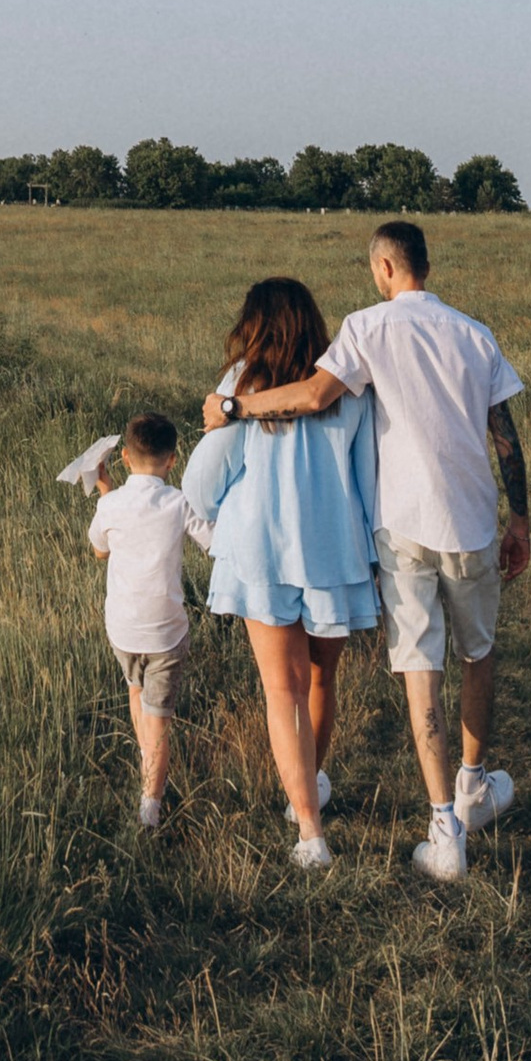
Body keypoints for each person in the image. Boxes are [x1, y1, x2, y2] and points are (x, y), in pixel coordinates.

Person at [230, 219, 527, 886]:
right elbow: (504, 437)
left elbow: (312, 396)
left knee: (421, 669)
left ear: (384, 268)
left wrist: (235, 403)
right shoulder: (476, 334)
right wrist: (522, 519)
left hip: (402, 524)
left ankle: (443, 828)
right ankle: (475, 781)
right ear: (425, 264)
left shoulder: (366, 327)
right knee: (478, 652)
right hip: (475, 519)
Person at [187, 276, 378, 872]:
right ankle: (307, 796)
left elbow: (200, 483)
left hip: (261, 552)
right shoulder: (344, 384)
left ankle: (311, 835)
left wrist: (225, 525)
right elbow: (368, 478)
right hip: (333, 551)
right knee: (321, 682)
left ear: (254, 323)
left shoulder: (243, 384)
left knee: (282, 691)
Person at [84, 414, 204, 831]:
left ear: (123, 458)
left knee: (135, 689)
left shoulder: (109, 503)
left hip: (122, 628)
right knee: (159, 720)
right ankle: (150, 807)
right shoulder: (178, 501)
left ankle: (146, 761)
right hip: (166, 631)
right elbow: (212, 540)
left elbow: (100, 550)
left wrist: (105, 491)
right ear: (173, 459)